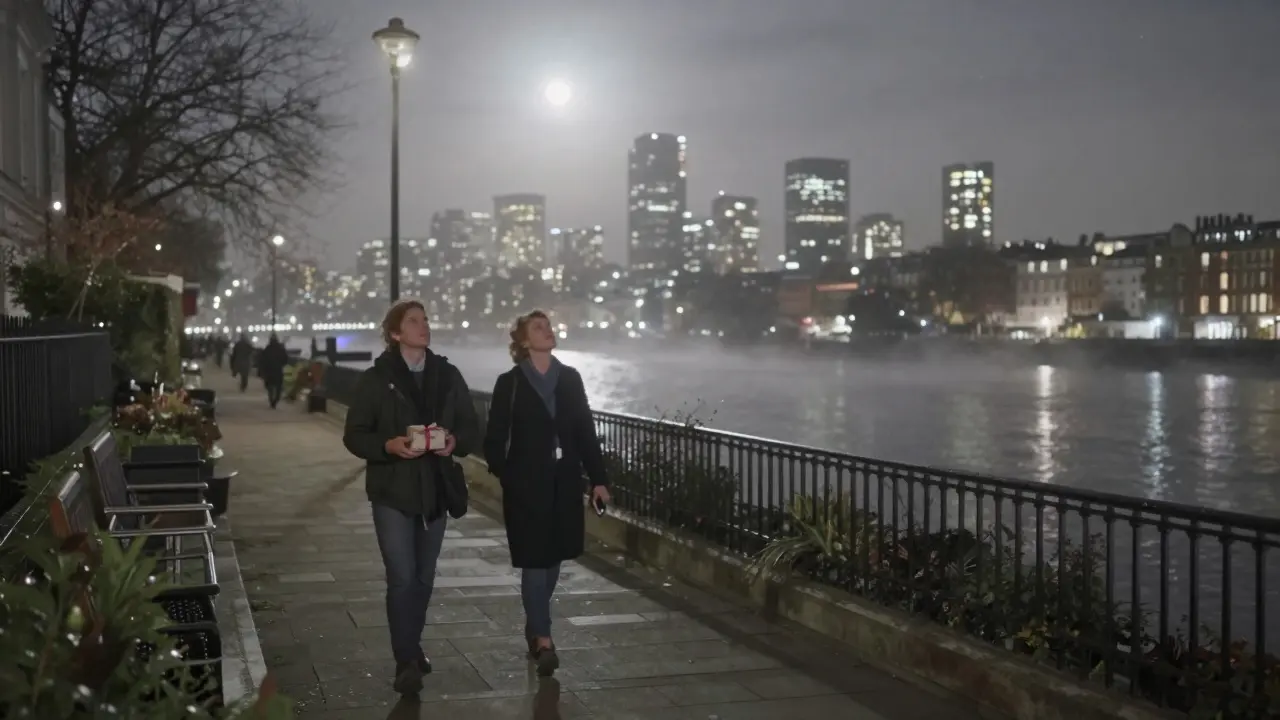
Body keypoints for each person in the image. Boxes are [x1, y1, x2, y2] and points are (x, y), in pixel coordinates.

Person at [341, 300, 480, 695]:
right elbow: (354, 434)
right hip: (392, 490)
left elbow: (471, 426)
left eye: (426, 320)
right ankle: (405, 660)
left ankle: (412, 646)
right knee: (401, 577)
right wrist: (389, 445)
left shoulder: (447, 375)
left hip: (436, 488)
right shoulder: (376, 378)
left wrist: (454, 440)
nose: (424, 327)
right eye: (414, 321)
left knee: (423, 577)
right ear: (396, 333)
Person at [482, 310, 610, 677]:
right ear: (523, 342)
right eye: (538, 328)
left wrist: (598, 480)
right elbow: (494, 438)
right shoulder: (511, 383)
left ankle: (535, 623)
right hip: (526, 486)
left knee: (553, 559)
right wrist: (510, 475)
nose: (548, 330)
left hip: (564, 483)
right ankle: (544, 638)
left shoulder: (570, 379)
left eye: (549, 325)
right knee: (535, 560)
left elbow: (585, 430)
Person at [258, 334, 290, 409]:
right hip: (278, 370)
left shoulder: (267, 349)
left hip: (269, 371)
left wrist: (263, 370)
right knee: (278, 387)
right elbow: (285, 359)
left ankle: (272, 400)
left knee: (270, 387)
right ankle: (275, 400)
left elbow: (262, 360)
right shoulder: (280, 349)